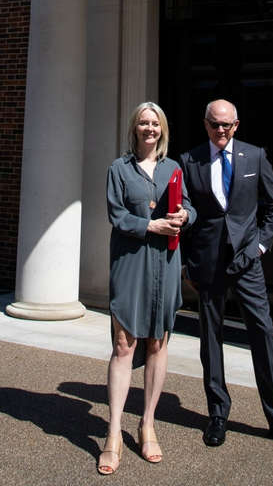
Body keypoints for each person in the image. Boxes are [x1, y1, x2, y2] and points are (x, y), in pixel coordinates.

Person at [180, 98, 273, 454]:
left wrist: (261, 247)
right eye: (215, 124)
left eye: (227, 125)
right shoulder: (189, 161)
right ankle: (217, 413)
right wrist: (188, 261)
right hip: (208, 264)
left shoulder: (255, 156)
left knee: (264, 335)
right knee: (211, 338)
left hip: (248, 262)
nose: (221, 130)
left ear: (237, 125)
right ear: (205, 124)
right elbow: (187, 215)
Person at [99, 101, 195, 475]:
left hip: (166, 264)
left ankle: (147, 423)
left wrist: (185, 215)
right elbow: (116, 214)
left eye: (155, 123)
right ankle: (112, 433)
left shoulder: (174, 168)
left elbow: (188, 207)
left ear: (162, 130)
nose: (149, 128)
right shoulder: (118, 169)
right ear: (134, 129)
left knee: (158, 341)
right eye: (143, 122)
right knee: (124, 344)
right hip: (131, 261)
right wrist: (150, 226)